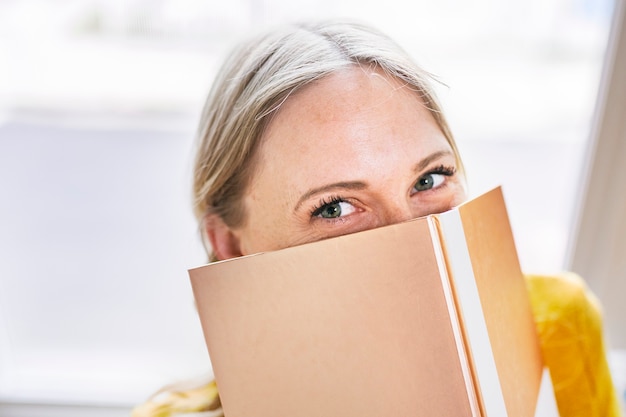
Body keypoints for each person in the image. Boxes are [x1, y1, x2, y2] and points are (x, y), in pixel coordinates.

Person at [132, 20, 623, 417]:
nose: (407, 238)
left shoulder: (559, 326)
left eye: (429, 179)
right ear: (231, 245)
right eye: (334, 207)